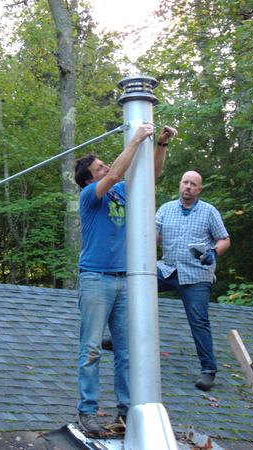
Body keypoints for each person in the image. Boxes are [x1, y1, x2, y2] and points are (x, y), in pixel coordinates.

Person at [74, 123, 177, 434]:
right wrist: (134, 139)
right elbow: (116, 173)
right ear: (91, 179)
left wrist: (160, 146)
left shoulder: (120, 191)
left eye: (105, 164)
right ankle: (87, 412)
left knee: (125, 349)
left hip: (125, 279)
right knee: (91, 347)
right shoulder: (91, 195)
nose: (106, 167)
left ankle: (125, 413)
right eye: (100, 167)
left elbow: (151, 176)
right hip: (96, 278)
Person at [155, 170, 230, 391]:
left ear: (199, 189)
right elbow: (154, 235)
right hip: (167, 268)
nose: (188, 187)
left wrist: (214, 252)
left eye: (193, 184)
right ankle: (119, 337)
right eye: (185, 182)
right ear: (180, 185)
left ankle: (208, 370)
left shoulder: (208, 212)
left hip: (197, 274)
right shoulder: (166, 209)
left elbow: (224, 239)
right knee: (134, 287)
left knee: (198, 319)